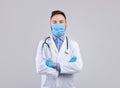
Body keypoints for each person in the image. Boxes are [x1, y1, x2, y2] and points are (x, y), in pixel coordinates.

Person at [35, 10, 83, 88]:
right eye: (55, 22)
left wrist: (56, 66)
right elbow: (39, 68)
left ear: (66, 24)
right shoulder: (43, 44)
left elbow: (78, 66)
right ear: (50, 24)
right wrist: (65, 67)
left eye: (61, 22)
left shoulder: (73, 45)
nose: (58, 24)